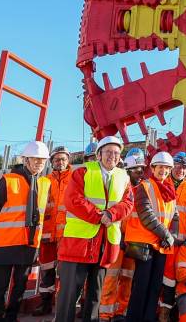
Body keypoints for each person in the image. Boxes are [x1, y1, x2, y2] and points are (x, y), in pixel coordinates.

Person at [55, 136, 134, 322]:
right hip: (78, 246)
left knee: (94, 297)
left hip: (104, 247)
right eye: (108, 152)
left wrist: (112, 215)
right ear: (98, 155)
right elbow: (73, 200)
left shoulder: (124, 177)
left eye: (116, 153)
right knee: (69, 297)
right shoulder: (82, 172)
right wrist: (101, 216)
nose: (112, 156)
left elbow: (128, 203)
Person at [0, 140, 52, 322]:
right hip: (5, 242)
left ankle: (11, 316)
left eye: (42, 160)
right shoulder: (8, 180)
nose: (39, 163)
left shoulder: (45, 183)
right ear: (25, 159)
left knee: (21, 284)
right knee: (0, 283)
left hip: (29, 243)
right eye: (35, 159)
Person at [125, 152, 178, 322]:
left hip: (161, 244)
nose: (163, 170)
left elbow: (175, 216)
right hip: (145, 244)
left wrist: (171, 236)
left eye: (167, 168)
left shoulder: (170, 190)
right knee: (141, 286)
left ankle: (148, 318)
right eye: (160, 167)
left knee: (155, 286)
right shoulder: (144, 187)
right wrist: (166, 235)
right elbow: (146, 214)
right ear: (153, 168)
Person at [99, 153, 146, 322]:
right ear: (127, 170)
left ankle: (120, 312)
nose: (140, 173)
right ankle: (104, 314)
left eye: (142, 170)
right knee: (110, 278)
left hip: (133, 242)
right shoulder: (119, 186)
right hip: (117, 238)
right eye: (136, 170)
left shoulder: (143, 190)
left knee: (127, 278)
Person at [34, 146, 72, 315]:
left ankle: (63, 306)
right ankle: (46, 303)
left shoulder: (76, 179)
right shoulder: (44, 181)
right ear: (52, 162)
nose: (60, 162)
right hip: (47, 234)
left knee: (66, 273)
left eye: (63, 159)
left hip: (67, 234)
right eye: (57, 159)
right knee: (47, 270)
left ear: (68, 160)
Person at [162, 152, 186, 320]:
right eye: (177, 165)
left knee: (177, 279)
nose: (180, 170)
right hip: (161, 241)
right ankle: (163, 313)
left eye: (185, 167)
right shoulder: (161, 183)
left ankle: (176, 313)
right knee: (164, 279)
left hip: (181, 244)